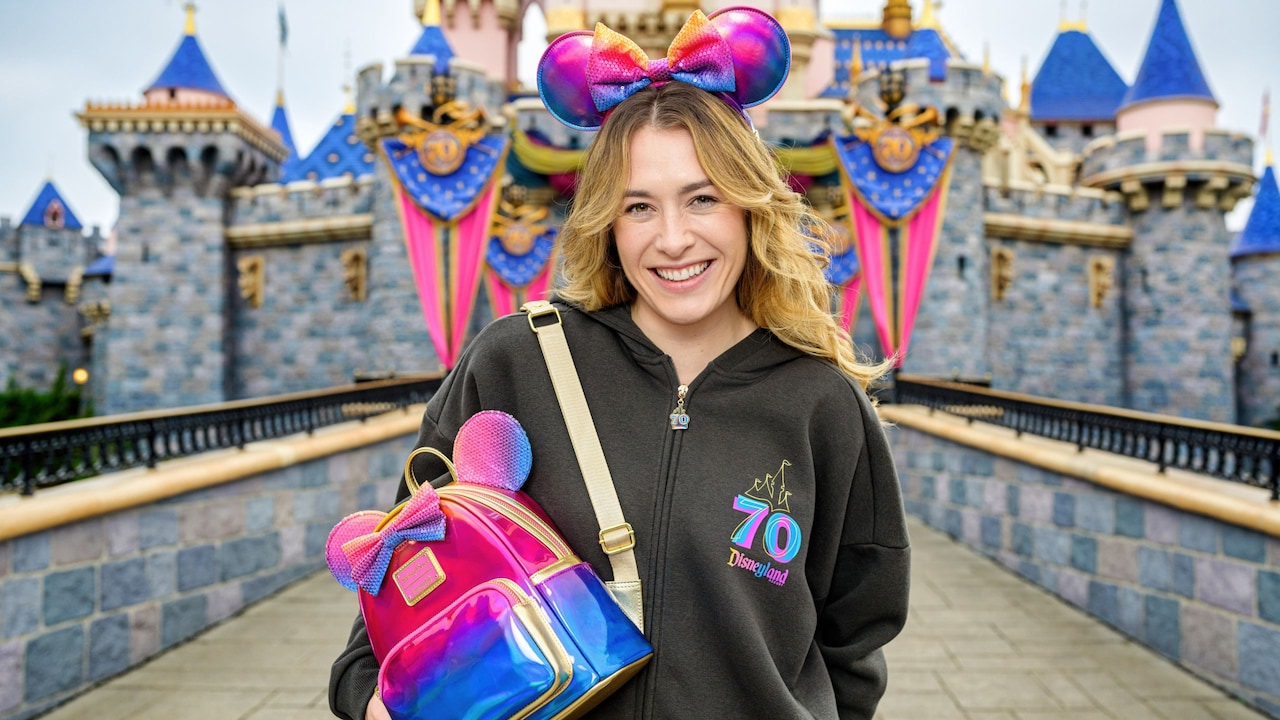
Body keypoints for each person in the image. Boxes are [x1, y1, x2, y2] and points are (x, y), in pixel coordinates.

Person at [330, 8, 909, 719]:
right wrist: (373, 704)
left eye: (703, 199)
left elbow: (854, 645)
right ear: (606, 218)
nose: (672, 239)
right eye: (639, 207)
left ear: (751, 207)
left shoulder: (822, 405)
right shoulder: (514, 365)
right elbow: (388, 604)